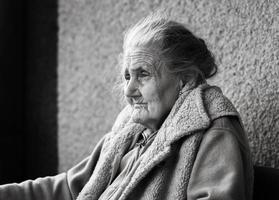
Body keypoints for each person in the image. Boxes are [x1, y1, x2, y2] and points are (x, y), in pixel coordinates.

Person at [0, 13, 253, 200]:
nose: (129, 91)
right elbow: (68, 188)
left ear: (184, 79)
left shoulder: (213, 131)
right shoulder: (130, 133)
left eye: (143, 74)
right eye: (126, 77)